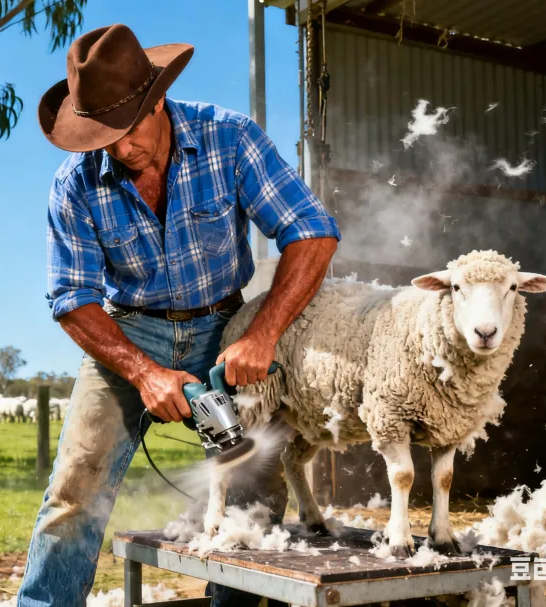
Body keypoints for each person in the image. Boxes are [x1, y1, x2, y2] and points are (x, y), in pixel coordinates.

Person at [18, 23, 340, 607]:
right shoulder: (75, 184)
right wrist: (143, 373)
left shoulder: (230, 138)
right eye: (103, 137)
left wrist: (263, 334)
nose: (119, 150)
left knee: (252, 476)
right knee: (75, 490)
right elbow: (71, 299)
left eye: (127, 131)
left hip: (226, 331)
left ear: (157, 99)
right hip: (127, 333)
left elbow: (312, 232)